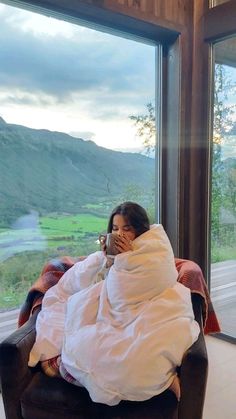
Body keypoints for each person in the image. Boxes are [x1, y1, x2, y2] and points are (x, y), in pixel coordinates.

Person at [28, 201, 200, 406]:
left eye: (127, 229)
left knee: (139, 358)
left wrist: (126, 259)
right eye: (115, 229)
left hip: (147, 308)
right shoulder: (112, 255)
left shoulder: (154, 248)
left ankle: (160, 381)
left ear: (140, 229)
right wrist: (109, 259)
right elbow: (104, 286)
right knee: (88, 345)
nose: (120, 234)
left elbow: (125, 294)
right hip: (112, 309)